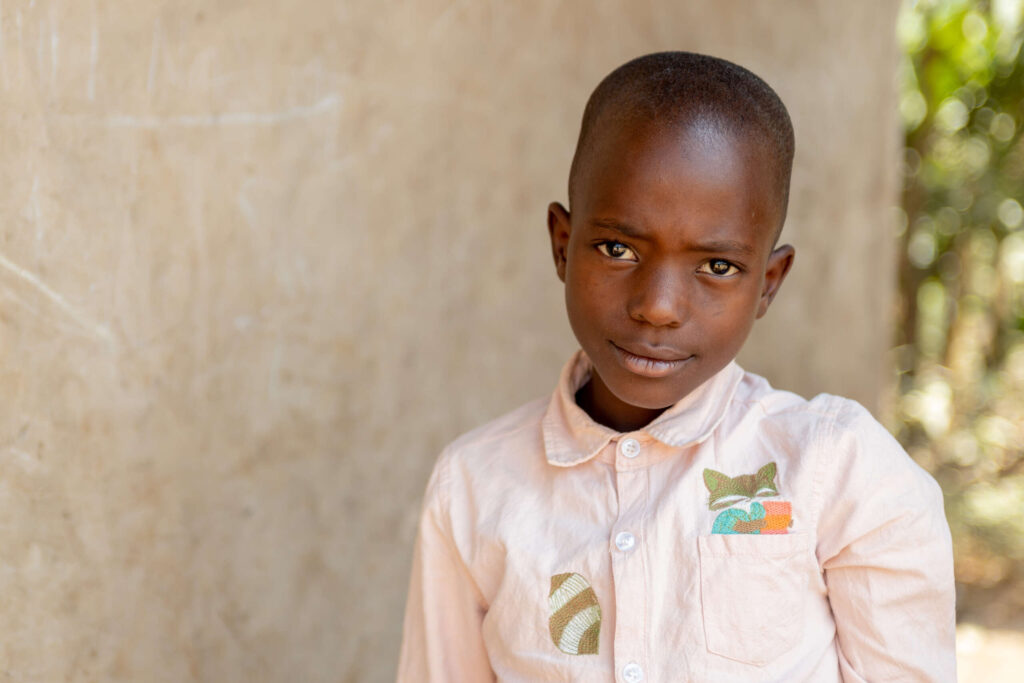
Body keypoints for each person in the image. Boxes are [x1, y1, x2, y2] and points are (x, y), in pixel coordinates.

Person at [396, 52, 956, 682]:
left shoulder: (839, 472)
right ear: (562, 244)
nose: (658, 307)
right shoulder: (474, 486)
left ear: (768, 283)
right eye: (618, 249)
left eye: (717, 267)